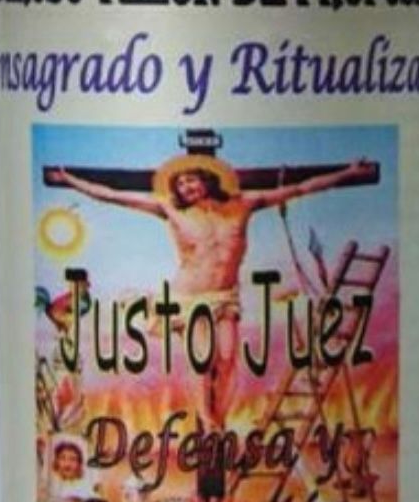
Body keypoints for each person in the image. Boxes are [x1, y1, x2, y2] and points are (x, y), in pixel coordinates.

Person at [44, 155, 374, 434]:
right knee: (202, 360)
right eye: (180, 184)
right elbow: (113, 195)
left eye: (191, 180)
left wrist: (347, 173)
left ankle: (219, 417)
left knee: (228, 357)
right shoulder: (170, 209)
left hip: (225, 296)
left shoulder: (243, 203)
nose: (186, 188)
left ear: (206, 179)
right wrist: (70, 180)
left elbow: (301, 188)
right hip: (190, 298)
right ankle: (207, 419)